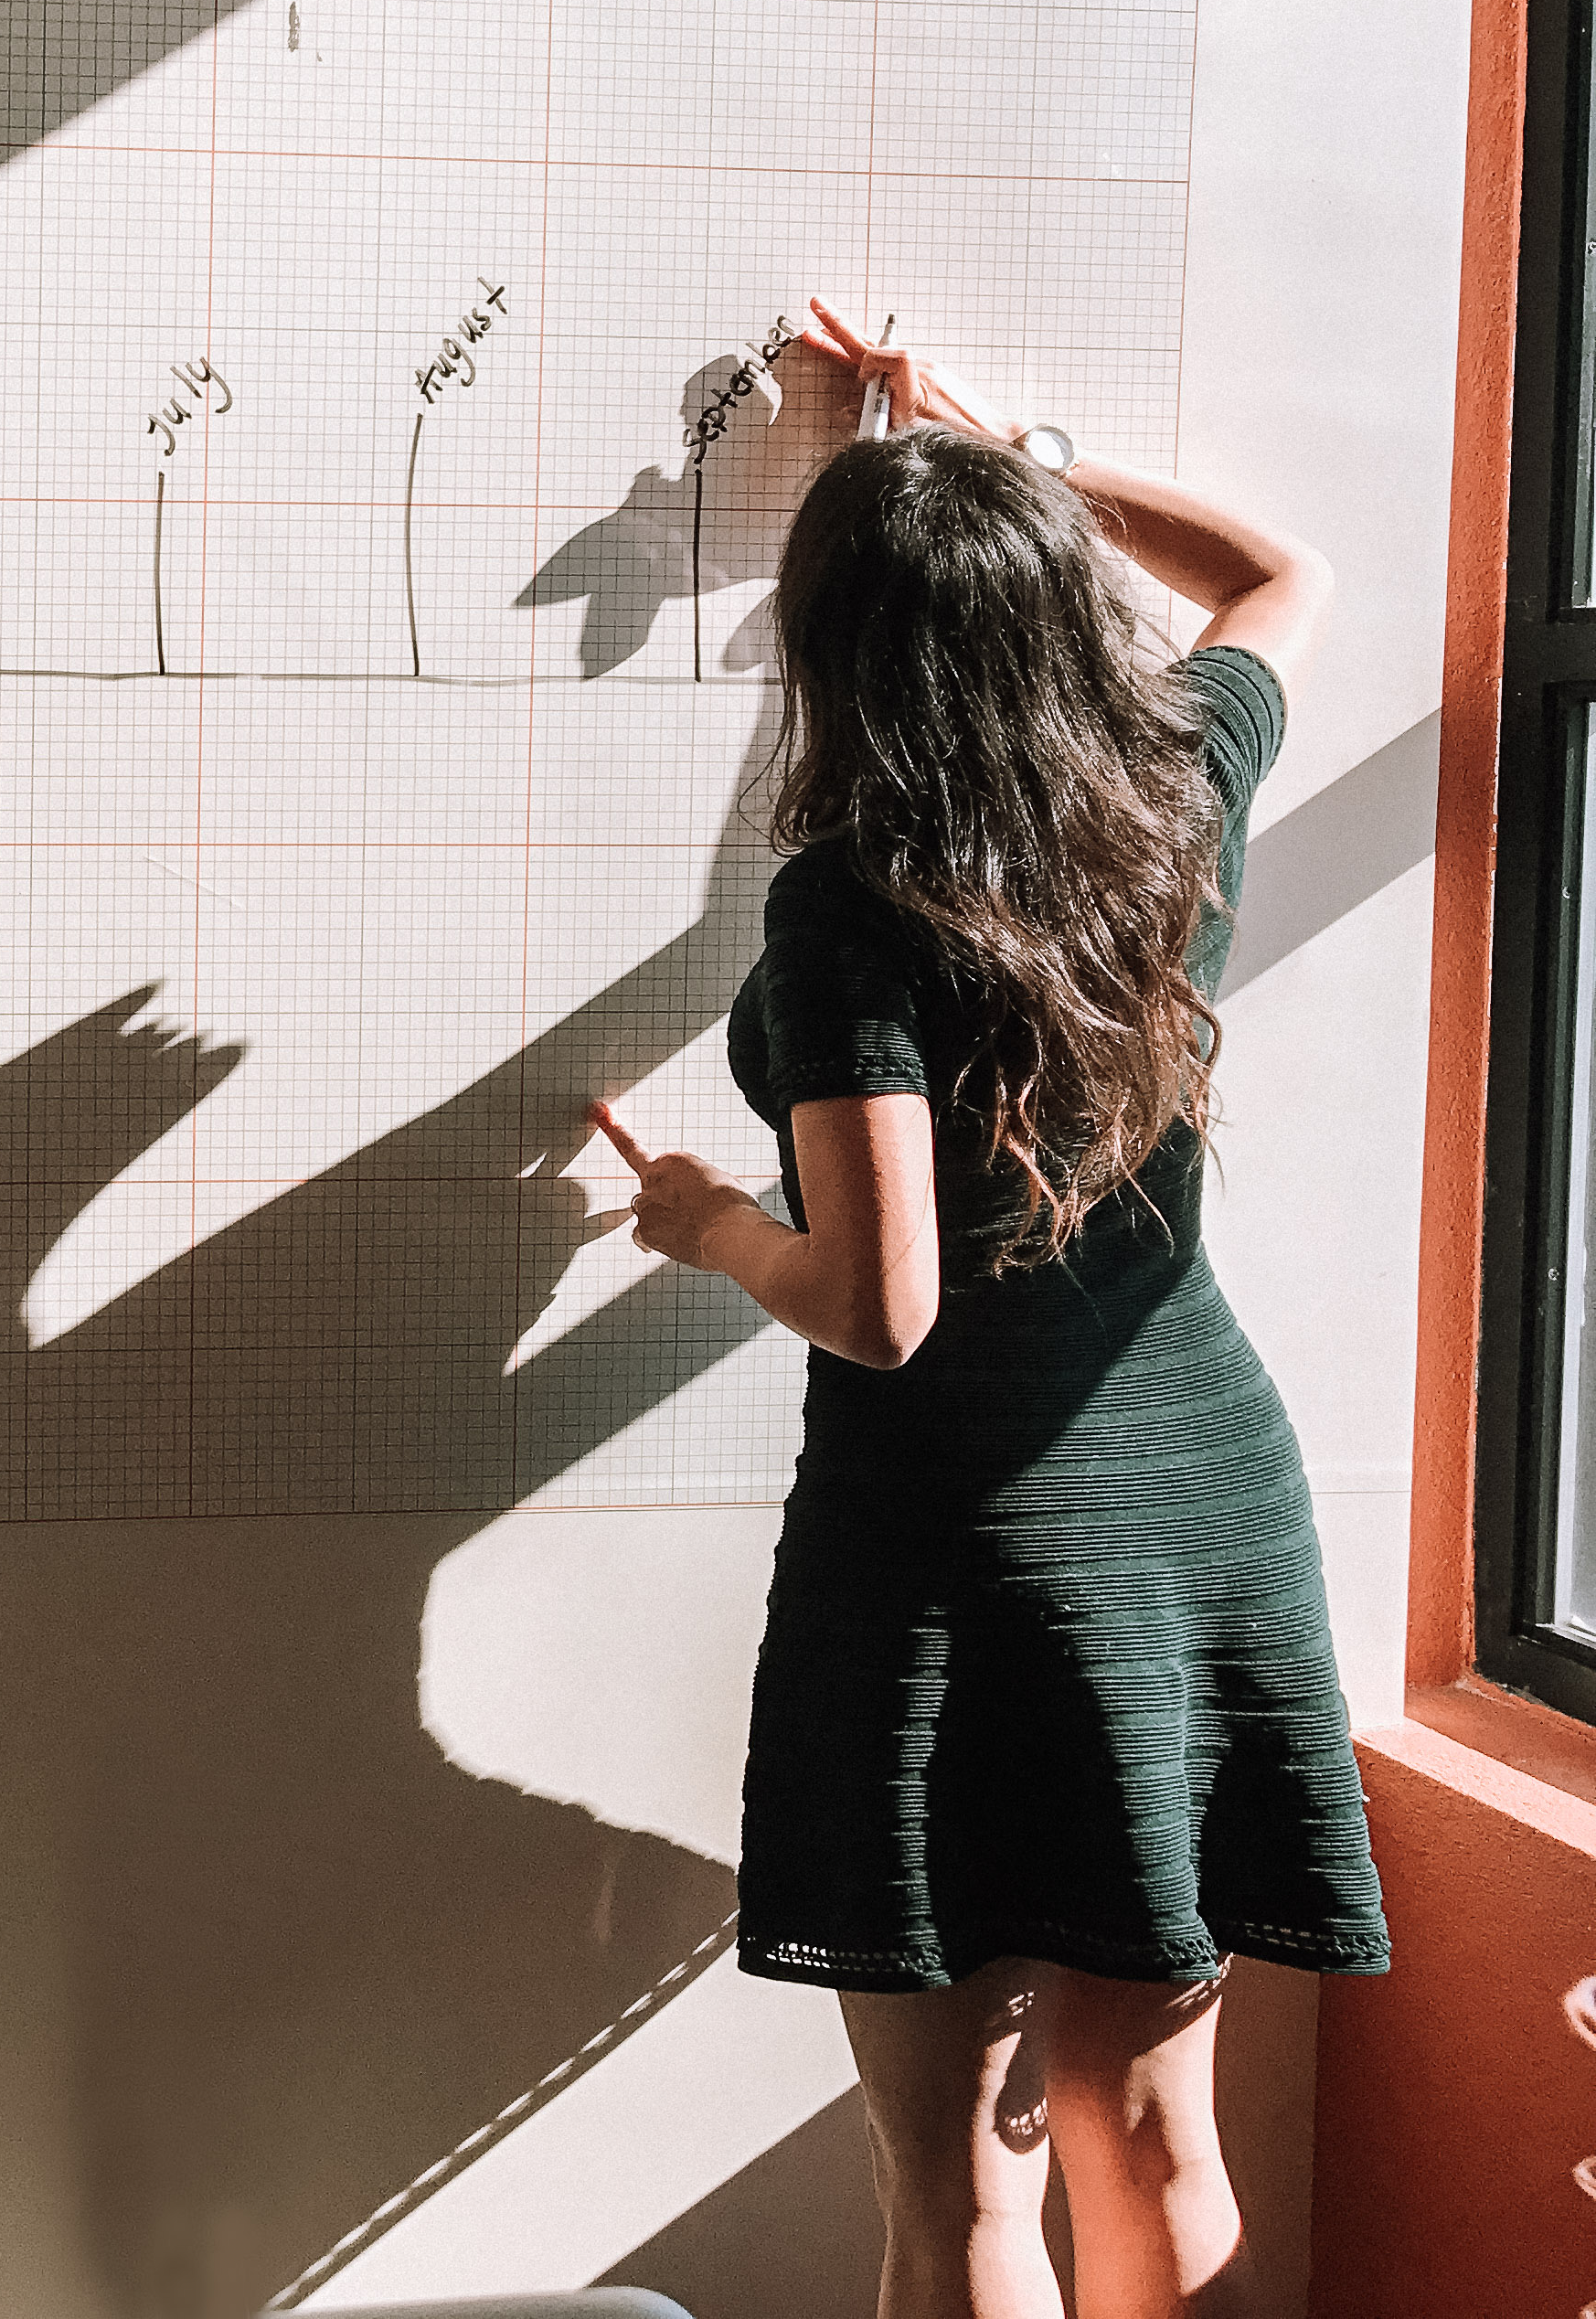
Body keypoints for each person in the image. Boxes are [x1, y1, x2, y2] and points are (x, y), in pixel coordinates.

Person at [589, 300, 1387, 2319]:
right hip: (1198, 1512)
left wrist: (699, 1223)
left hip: (956, 1550)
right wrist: (1010, 458)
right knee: (1150, 2126)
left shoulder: (854, 902)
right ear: (1049, 611)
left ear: (835, 659)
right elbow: (1279, 576)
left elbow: (875, 1308)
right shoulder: (1176, 786)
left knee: (955, 2191)